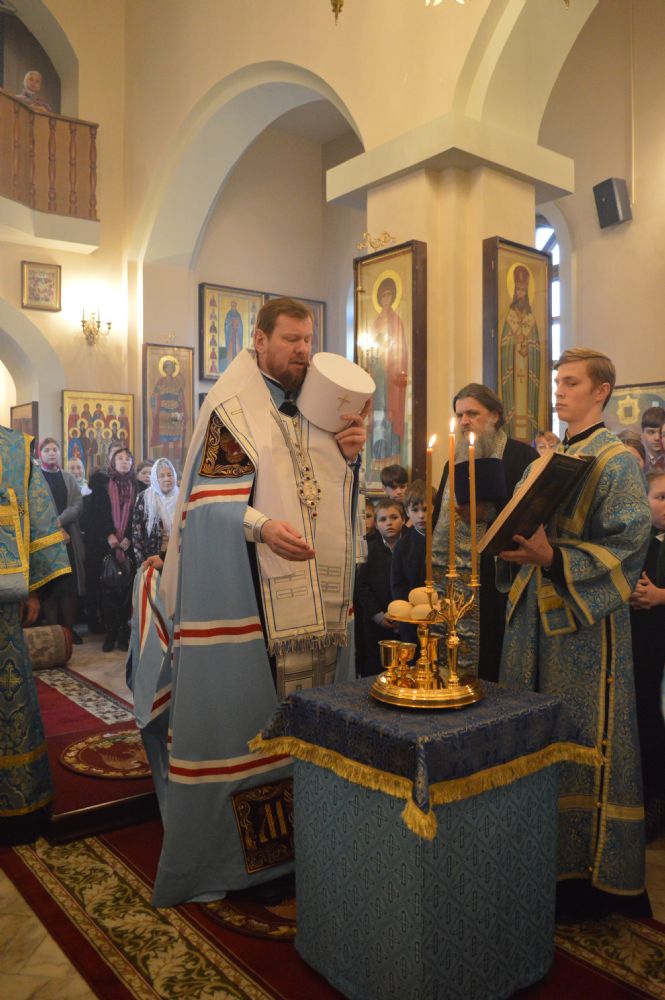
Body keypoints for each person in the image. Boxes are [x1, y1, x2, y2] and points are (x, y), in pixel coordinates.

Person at [146, 296, 367, 907]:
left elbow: (328, 494)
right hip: (254, 591)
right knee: (259, 725)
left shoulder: (316, 409)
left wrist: (350, 458)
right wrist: (262, 527)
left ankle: (316, 837)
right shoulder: (234, 409)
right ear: (260, 341)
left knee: (314, 718)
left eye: (308, 339)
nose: (302, 350)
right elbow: (207, 506)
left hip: (315, 606)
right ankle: (253, 859)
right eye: (291, 339)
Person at [498, 347, 651, 921]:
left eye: (570, 382)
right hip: (530, 621)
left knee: (583, 736)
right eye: (557, 382)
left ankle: (587, 877)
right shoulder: (550, 458)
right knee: (531, 734)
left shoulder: (617, 462)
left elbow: (629, 543)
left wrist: (553, 558)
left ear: (601, 391)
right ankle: (534, 863)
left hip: (585, 627)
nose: (558, 391)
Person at [431, 383, 537, 682]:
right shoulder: (453, 460)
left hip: (499, 577)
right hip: (452, 578)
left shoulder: (521, 456)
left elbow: (531, 515)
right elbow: (440, 518)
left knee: (492, 657)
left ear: (495, 415)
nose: (464, 421)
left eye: (472, 413)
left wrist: (489, 514)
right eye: (460, 415)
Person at [0, 425, 69, 846]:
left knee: (9, 695)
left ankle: (17, 804)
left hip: (5, 601)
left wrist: (35, 590)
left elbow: (38, 518)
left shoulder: (14, 449)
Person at [629, 471, 665, 842]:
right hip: (644, 642)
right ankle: (653, 798)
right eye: (661, 497)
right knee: (646, 714)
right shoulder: (638, 542)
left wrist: (659, 595)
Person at [82, 448, 137, 651]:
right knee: (108, 590)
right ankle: (110, 631)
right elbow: (96, 514)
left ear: (132, 463)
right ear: (112, 462)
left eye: (128, 459)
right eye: (120, 458)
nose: (124, 461)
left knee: (126, 590)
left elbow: (138, 514)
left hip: (129, 546)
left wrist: (129, 536)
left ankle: (123, 632)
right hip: (104, 545)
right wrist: (109, 535)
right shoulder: (102, 484)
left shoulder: (137, 486)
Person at [38, 438, 86, 645]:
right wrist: (55, 528)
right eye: (47, 450)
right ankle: (54, 631)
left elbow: (77, 504)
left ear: (59, 453)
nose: (51, 453)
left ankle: (69, 629)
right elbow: (35, 508)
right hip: (45, 539)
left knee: (69, 586)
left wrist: (60, 521)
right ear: (40, 454)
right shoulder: (35, 478)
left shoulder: (68, 477)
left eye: (55, 449)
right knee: (50, 586)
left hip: (69, 538)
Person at [354, 499, 406, 676]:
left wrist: (405, 617)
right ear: (376, 525)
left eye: (394, 517)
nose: (389, 523)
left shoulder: (410, 548)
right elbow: (362, 586)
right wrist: (378, 616)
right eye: (383, 519)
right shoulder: (368, 550)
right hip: (377, 622)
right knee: (376, 668)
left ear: (403, 520)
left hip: (406, 621)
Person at [366, 277, 408, 470]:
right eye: (383, 295)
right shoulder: (375, 323)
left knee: (391, 414)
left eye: (389, 295)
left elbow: (402, 352)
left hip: (391, 379)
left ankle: (392, 456)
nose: (386, 299)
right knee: (378, 414)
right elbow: (370, 353)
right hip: (378, 377)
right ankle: (378, 457)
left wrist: (394, 365)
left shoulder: (396, 321)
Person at [499, 263, 542, 443]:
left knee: (526, 403)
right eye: (518, 290)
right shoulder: (509, 317)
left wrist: (529, 346)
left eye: (524, 290)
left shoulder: (532, 319)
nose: (521, 294)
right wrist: (513, 342)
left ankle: (530, 435)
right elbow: (504, 342)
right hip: (514, 368)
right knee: (515, 403)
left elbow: (537, 346)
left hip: (527, 367)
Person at [391, 479, 428, 645]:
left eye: (425, 509)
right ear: (407, 511)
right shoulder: (403, 545)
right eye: (415, 510)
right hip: (412, 619)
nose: (421, 515)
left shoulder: (445, 541)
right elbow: (397, 583)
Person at [131, 457, 179, 568]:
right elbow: (137, 534)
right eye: (161, 476)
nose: (166, 479)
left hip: (177, 556)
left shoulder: (182, 496)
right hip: (152, 557)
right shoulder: (144, 498)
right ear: (155, 479)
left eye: (170, 475)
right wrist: (143, 564)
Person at [149, 355, 189, 472]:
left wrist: (183, 413)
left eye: (171, 367)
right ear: (164, 369)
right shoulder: (160, 382)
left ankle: (176, 467)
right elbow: (153, 397)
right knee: (165, 441)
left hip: (175, 413)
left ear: (173, 369)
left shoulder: (177, 383)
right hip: (163, 414)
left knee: (176, 440)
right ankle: (164, 466)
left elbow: (181, 400)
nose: (169, 369)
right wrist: (154, 410)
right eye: (167, 367)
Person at [640, 406, 665, 474]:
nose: (657, 438)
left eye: (661, 433)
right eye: (651, 432)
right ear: (642, 433)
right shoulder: (637, 459)